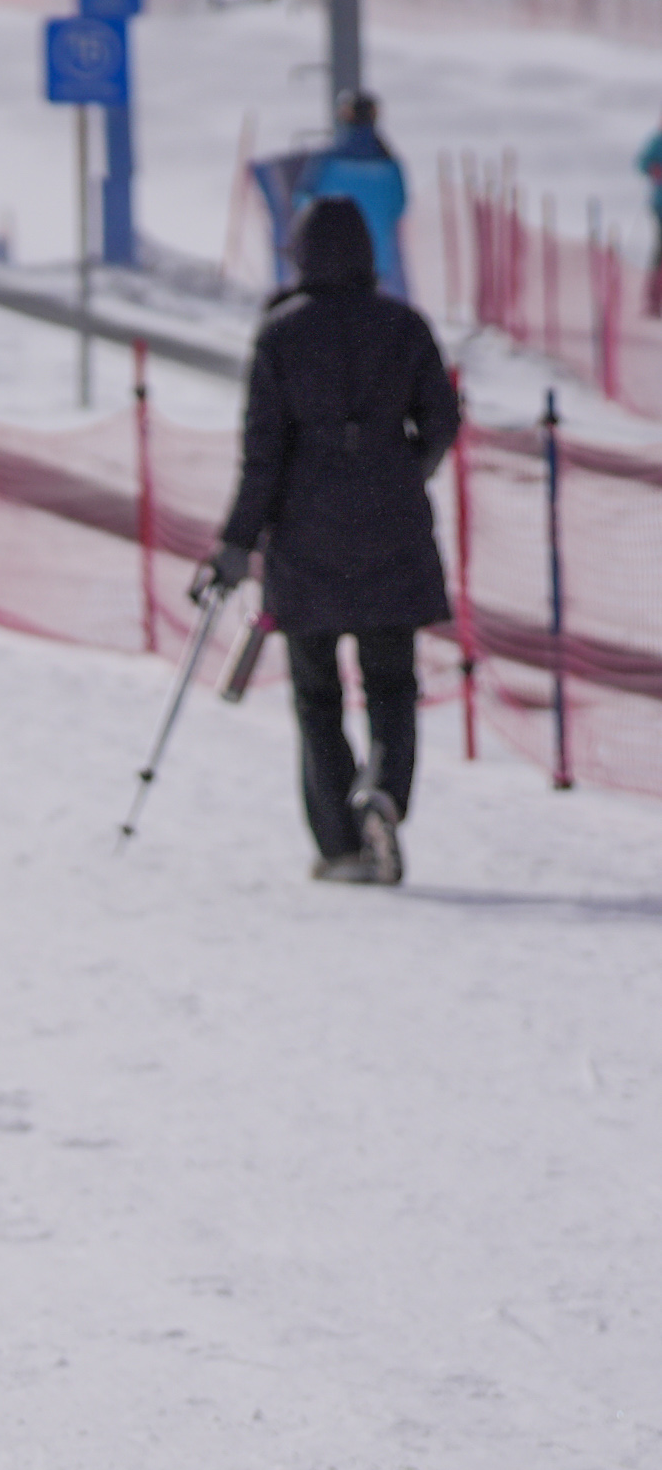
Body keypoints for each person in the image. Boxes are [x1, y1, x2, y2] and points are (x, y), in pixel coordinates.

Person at [202, 198, 458, 885]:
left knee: (315, 697)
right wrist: (406, 465)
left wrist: (235, 543)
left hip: (305, 539)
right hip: (392, 531)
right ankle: (385, 791)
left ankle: (341, 843)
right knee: (392, 684)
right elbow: (442, 416)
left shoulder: (281, 335)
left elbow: (261, 455)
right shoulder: (404, 326)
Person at [299, 91, 410, 301]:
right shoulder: (390, 164)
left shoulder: (325, 162)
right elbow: (399, 206)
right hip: (376, 260)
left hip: (325, 258)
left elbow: (303, 202)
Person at [638, 110, 662, 319]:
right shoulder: (657, 141)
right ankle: (653, 300)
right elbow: (642, 162)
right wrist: (653, 169)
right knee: (659, 253)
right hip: (660, 205)